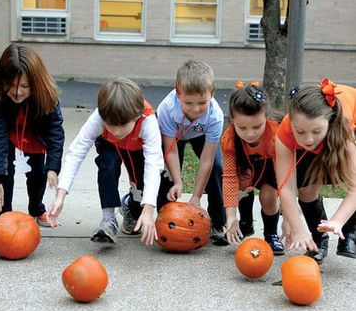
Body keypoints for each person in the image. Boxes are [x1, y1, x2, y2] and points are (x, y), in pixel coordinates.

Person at [47, 78, 163, 246]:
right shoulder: (101, 117)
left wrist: (148, 209)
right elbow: (76, 152)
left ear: (136, 116)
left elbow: (154, 165)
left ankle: (130, 205)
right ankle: (108, 220)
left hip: (136, 146)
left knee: (140, 189)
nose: (115, 130)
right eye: (110, 124)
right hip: (109, 144)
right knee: (107, 165)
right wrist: (60, 196)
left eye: (121, 125)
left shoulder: (148, 121)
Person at [0, 44, 64, 229]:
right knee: (4, 175)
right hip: (6, 136)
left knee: (38, 175)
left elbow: (55, 132)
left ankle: (36, 208)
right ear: (2, 81)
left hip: (34, 136)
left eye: (25, 86)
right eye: (12, 85)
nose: (17, 92)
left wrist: (53, 167)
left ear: (36, 83)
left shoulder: (47, 97)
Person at [276, 79, 356, 262]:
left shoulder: (341, 125)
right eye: (300, 132)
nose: (309, 140)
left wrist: (337, 221)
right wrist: (299, 230)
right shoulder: (285, 133)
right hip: (324, 133)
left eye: (316, 131)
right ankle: (319, 238)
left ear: (328, 122)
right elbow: (286, 188)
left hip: (349, 127)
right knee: (306, 188)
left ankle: (350, 232)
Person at [156, 59, 227, 245]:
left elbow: (207, 159)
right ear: (178, 93)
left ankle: (218, 223)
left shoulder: (215, 115)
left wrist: (196, 196)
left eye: (202, 102)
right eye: (188, 103)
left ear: (212, 94)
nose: (196, 109)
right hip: (174, 136)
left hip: (200, 134)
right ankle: (165, 221)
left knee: (217, 168)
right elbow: (170, 151)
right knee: (166, 173)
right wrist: (178, 181)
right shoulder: (167, 109)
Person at [221, 82, 284, 254]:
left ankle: (271, 234)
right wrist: (231, 216)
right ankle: (244, 223)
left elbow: (283, 172)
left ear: (266, 117)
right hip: (246, 168)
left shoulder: (276, 133)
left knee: (268, 196)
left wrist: (286, 203)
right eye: (242, 127)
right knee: (241, 183)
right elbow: (229, 177)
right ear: (232, 120)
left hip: (271, 167)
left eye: (257, 127)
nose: (250, 134)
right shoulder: (229, 139)